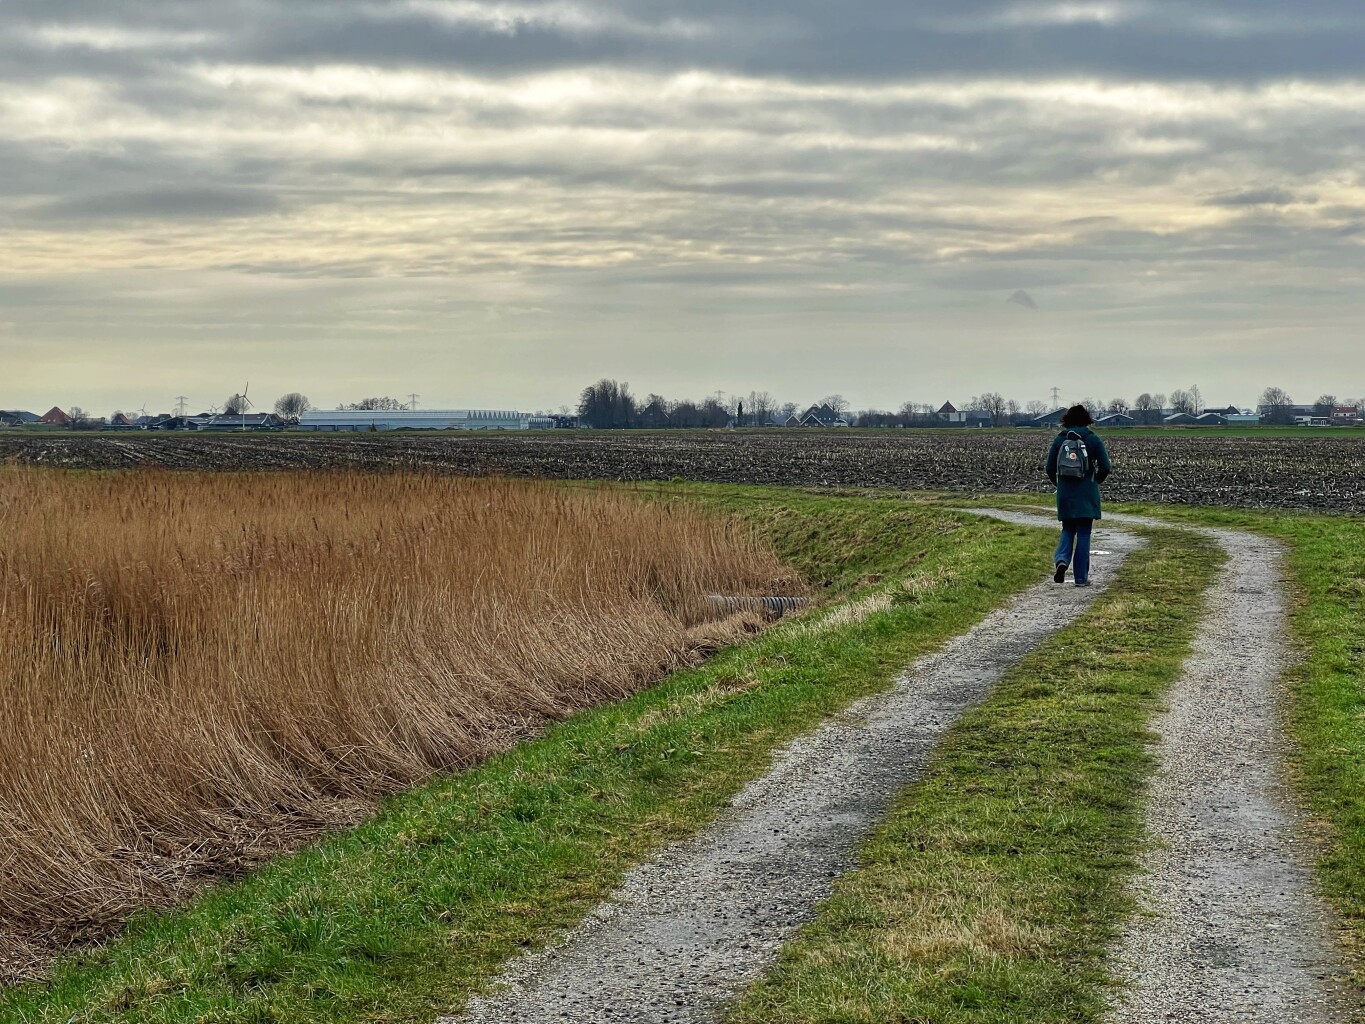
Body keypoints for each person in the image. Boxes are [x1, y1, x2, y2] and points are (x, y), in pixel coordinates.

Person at [1045, 405, 1112, 587]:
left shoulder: (1060, 440)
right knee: (1083, 533)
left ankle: (1061, 561)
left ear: (1067, 420)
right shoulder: (1092, 439)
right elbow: (1106, 467)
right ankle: (1081, 578)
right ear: (1086, 420)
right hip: (1086, 493)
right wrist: (1095, 481)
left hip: (1066, 494)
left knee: (1067, 529)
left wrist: (1059, 485)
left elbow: (1049, 468)